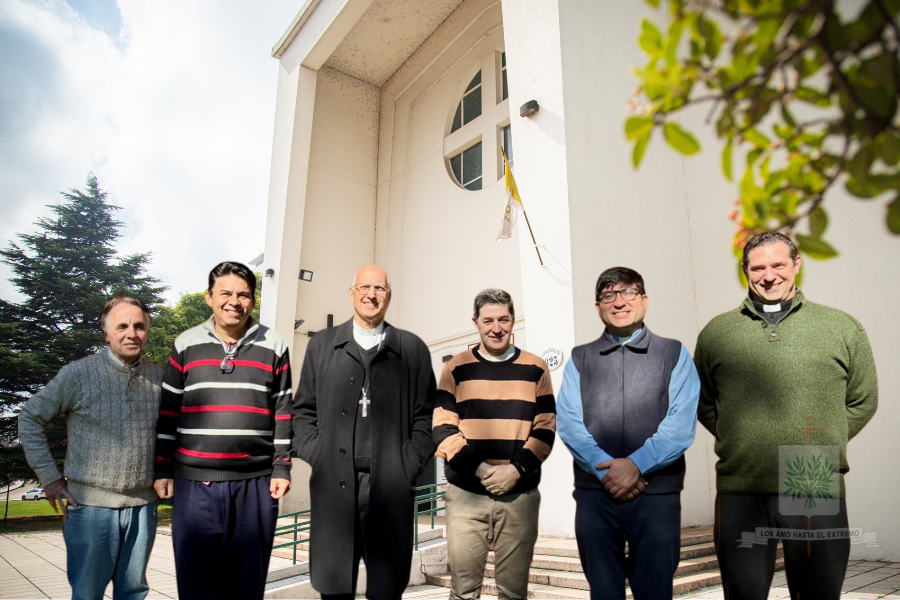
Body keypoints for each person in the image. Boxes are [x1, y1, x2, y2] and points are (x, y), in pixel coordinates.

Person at [694, 232, 877, 600]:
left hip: (810, 473)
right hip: (741, 480)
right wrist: (743, 438)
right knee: (743, 595)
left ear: (796, 265)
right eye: (758, 267)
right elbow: (703, 401)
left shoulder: (841, 327)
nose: (769, 275)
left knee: (817, 593)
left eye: (778, 264)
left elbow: (862, 400)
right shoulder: (717, 332)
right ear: (745, 271)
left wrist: (823, 441)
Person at [292, 264, 436, 600]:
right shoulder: (322, 346)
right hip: (334, 485)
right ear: (352, 292)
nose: (371, 295)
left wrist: (406, 465)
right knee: (333, 586)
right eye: (364, 287)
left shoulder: (411, 349)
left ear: (389, 295)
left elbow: (425, 417)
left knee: (386, 588)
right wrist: (319, 454)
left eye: (380, 288)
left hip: (390, 486)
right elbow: (302, 411)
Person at [556, 267, 700, 600]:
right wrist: (606, 467)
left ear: (645, 301)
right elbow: (569, 422)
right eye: (609, 294)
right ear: (598, 307)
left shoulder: (674, 353)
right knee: (604, 593)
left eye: (629, 292)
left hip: (656, 496)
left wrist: (636, 465)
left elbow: (680, 424)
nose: (619, 301)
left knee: (654, 592)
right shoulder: (580, 359)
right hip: (596, 496)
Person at [154, 261, 293, 600]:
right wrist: (162, 467)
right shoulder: (185, 344)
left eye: (244, 294)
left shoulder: (274, 345)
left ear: (254, 300)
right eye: (226, 293)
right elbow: (168, 412)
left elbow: (284, 410)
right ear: (209, 298)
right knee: (196, 585)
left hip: (256, 485)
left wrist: (282, 465)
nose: (235, 301)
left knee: (246, 586)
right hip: (194, 487)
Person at [18, 296, 162, 600]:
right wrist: (49, 476)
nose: (131, 333)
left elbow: (172, 432)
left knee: (134, 593)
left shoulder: (159, 379)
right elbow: (30, 417)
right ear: (106, 333)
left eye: (139, 326)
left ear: (147, 331)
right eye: (122, 326)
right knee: (87, 594)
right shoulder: (78, 374)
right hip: (89, 510)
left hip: (143, 508)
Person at [433, 288, 556, 600]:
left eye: (504, 319)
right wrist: (484, 469)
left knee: (513, 594)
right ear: (475, 322)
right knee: (463, 592)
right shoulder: (455, 368)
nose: (496, 328)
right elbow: (444, 429)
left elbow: (545, 429)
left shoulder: (536, 368)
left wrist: (515, 471)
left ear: (513, 321)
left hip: (520, 497)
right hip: (465, 497)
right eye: (488, 320)